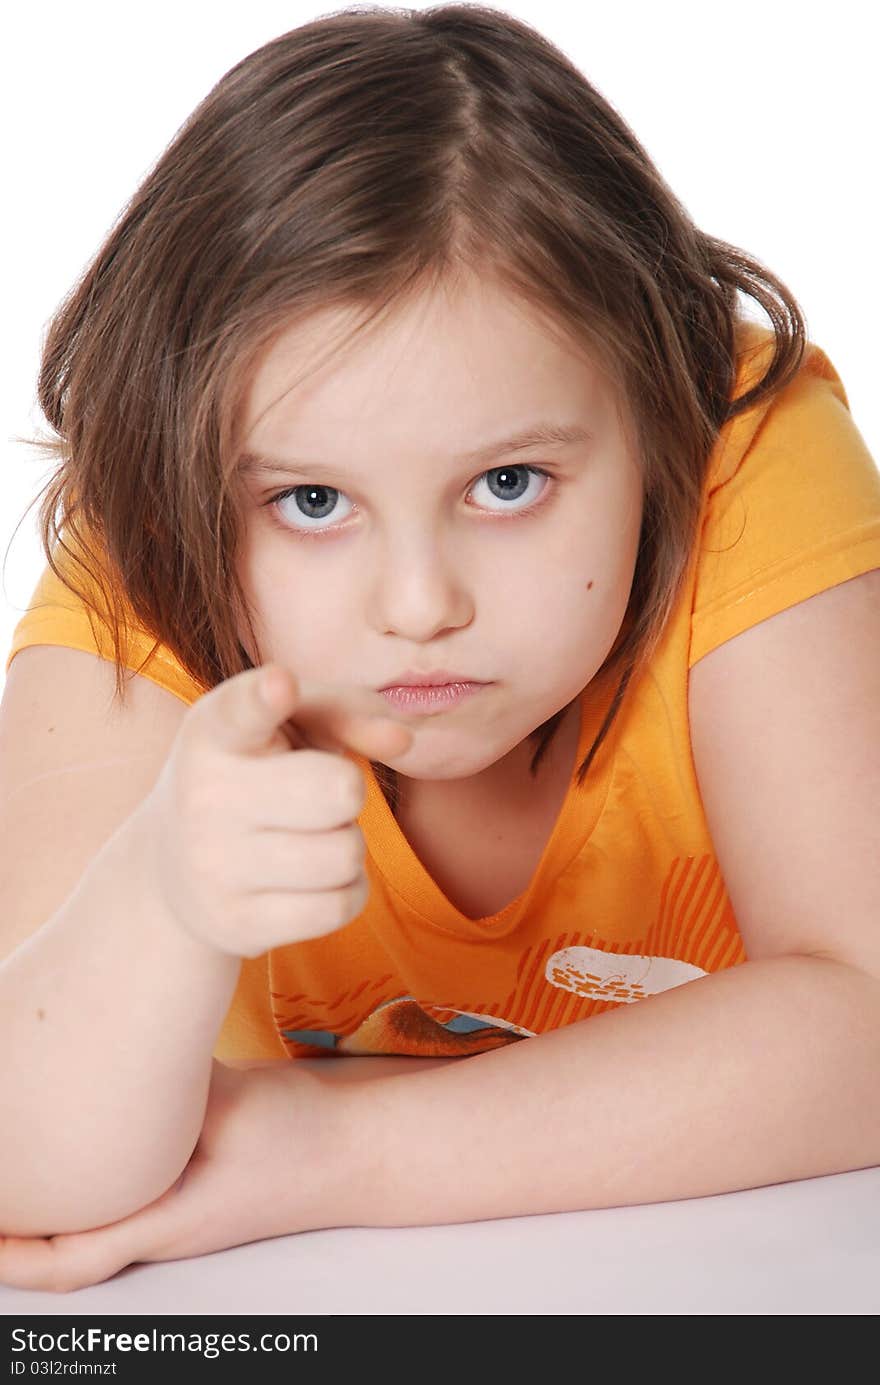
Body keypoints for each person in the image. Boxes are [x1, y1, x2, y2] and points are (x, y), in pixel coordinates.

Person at [1, 3, 879, 1294]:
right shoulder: (158, 548)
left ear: (657, 423)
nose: (419, 604)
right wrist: (161, 896)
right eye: (312, 503)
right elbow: (30, 1164)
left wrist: (329, 1153)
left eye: (509, 481)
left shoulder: (746, 458)